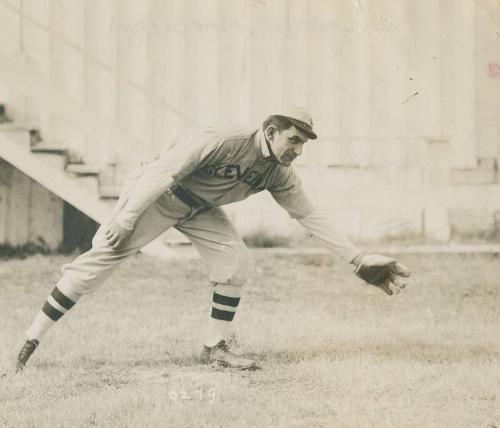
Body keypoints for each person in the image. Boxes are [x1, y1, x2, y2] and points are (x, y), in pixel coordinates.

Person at [16, 105, 410, 371]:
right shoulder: (225, 138)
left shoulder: (279, 172)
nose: (299, 149)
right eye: (294, 140)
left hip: (198, 209)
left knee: (235, 259)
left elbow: (308, 214)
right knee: (98, 262)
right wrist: (127, 216)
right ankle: (29, 344)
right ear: (271, 131)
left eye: (304, 143)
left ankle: (215, 348)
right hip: (158, 194)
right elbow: (162, 174)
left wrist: (357, 260)